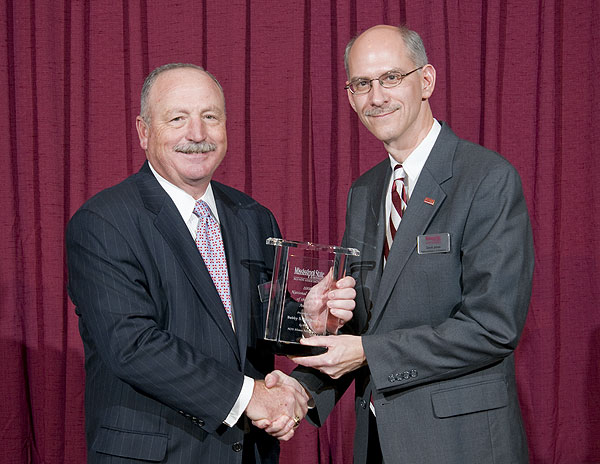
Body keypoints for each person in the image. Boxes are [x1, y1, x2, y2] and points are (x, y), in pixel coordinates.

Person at [266, 25, 534, 463]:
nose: (377, 97)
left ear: (425, 81)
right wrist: (302, 384)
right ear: (350, 97)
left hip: (461, 445)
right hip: (379, 442)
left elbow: (493, 327)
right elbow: (364, 325)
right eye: (362, 84)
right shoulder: (366, 191)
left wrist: (367, 351)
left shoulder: (486, 179)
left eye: (391, 78)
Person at [66, 63, 355, 463]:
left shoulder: (253, 217)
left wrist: (308, 318)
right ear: (144, 131)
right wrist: (249, 396)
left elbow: (258, 325)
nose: (197, 134)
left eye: (210, 117)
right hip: (155, 454)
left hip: (247, 452)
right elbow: (131, 346)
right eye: (177, 118)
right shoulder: (103, 222)